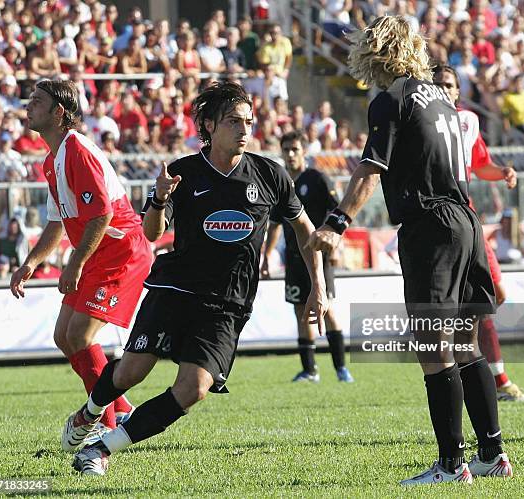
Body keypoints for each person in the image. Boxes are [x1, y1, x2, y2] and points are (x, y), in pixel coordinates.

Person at [61, 81, 327, 476]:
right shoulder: (183, 173)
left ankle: (100, 449)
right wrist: (158, 199)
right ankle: (91, 411)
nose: (244, 130)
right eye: (234, 121)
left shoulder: (271, 175)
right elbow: (152, 233)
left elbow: (306, 231)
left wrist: (318, 288)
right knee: (132, 371)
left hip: (228, 304)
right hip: (175, 289)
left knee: (193, 389)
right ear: (208, 125)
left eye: (249, 122)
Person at [308, 16, 512, 485]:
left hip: (430, 225)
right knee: (465, 343)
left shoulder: (391, 98)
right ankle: (492, 455)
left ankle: (451, 464)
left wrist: (337, 223)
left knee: (432, 346)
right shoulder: (442, 98)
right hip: (465, 221)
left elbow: (370, 167)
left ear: (377, 51)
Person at [9, 80, 153, 447]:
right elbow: (57, 221)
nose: (29, 106)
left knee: (79, 335)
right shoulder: (52, 160)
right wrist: (31, 262)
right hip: (98, 254)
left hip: (121, 253)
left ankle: (103, 427)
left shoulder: (78, 151)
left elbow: (102, 215)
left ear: (59, 112)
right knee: (63, 336)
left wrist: (73, 264)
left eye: (37, 101)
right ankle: (119, 408)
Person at [433, 65, 524, 402]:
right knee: (473, 304)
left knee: (495, 294)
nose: (444, 90)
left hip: (469, 216)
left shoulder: (468, 121)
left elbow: (479, 163)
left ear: (458, 91)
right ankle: (497, 379)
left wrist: (502, 171)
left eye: (449, 85)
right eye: (438, 85)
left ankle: (477, 366)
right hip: (442, 219)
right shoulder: (424, 121)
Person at [261, 131, 354, 383]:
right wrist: (267, 257)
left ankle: (341, 368)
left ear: (304, 152)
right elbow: (275, 224)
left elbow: (338, 212)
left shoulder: (317, 178)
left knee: (328, 308)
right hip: (293, 257)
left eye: (295, 149)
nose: (290, 154)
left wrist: (338, 247)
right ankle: (310, 370)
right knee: (300, 311)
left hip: (320, 255)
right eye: (286, 150)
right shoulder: (281, 183)